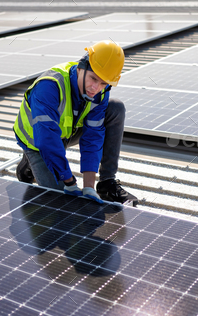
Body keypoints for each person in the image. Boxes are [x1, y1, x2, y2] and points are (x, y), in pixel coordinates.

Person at [13, 40, 138, 207]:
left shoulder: (101, 91)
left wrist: (88, 187)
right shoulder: (49, 86)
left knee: (115, 108)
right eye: (93, 78)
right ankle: (29, 163)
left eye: (103, 83)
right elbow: (47, 139)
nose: (95, 87)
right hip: (36, 141)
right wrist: (70, 182)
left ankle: (107, 184)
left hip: (67, 132)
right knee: (60, 202)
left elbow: (93, 137)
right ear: (80, 68)